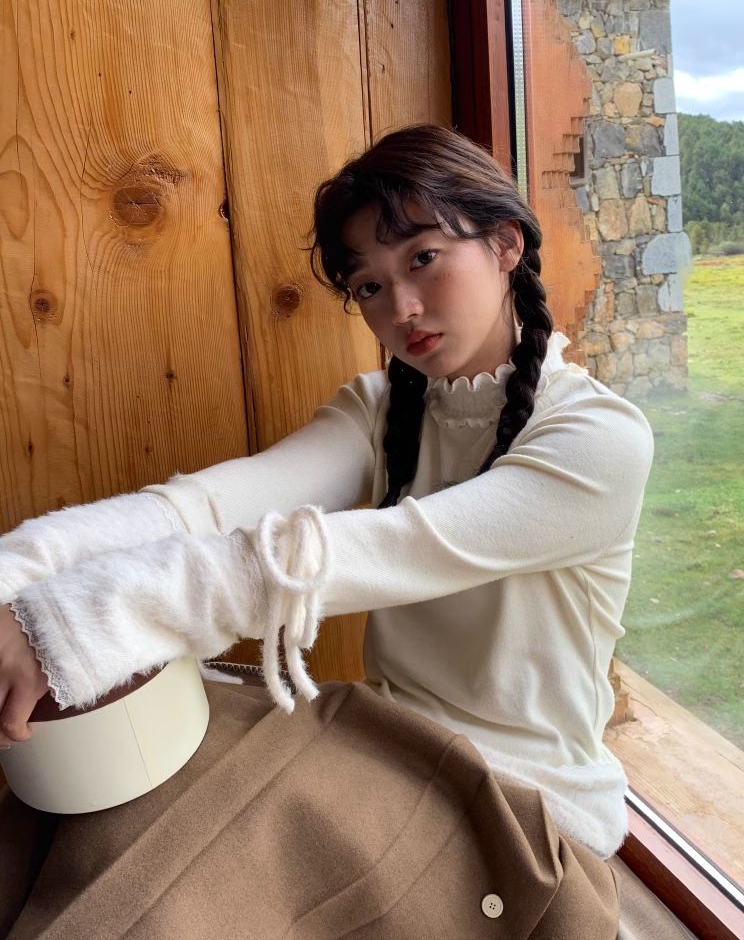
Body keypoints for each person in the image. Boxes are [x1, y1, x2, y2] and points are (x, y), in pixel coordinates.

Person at [0, 125, 652, 931]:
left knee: (151, 897)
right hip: (386, 741)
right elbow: (208, 507)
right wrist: (20, 571)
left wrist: (72, 622)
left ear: (506, 243)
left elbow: (340, 558)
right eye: (369, 285)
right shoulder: (381, 407)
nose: (400, 308)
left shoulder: (598, 439)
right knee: (78, 808)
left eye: (423, 258)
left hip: (523, 806)